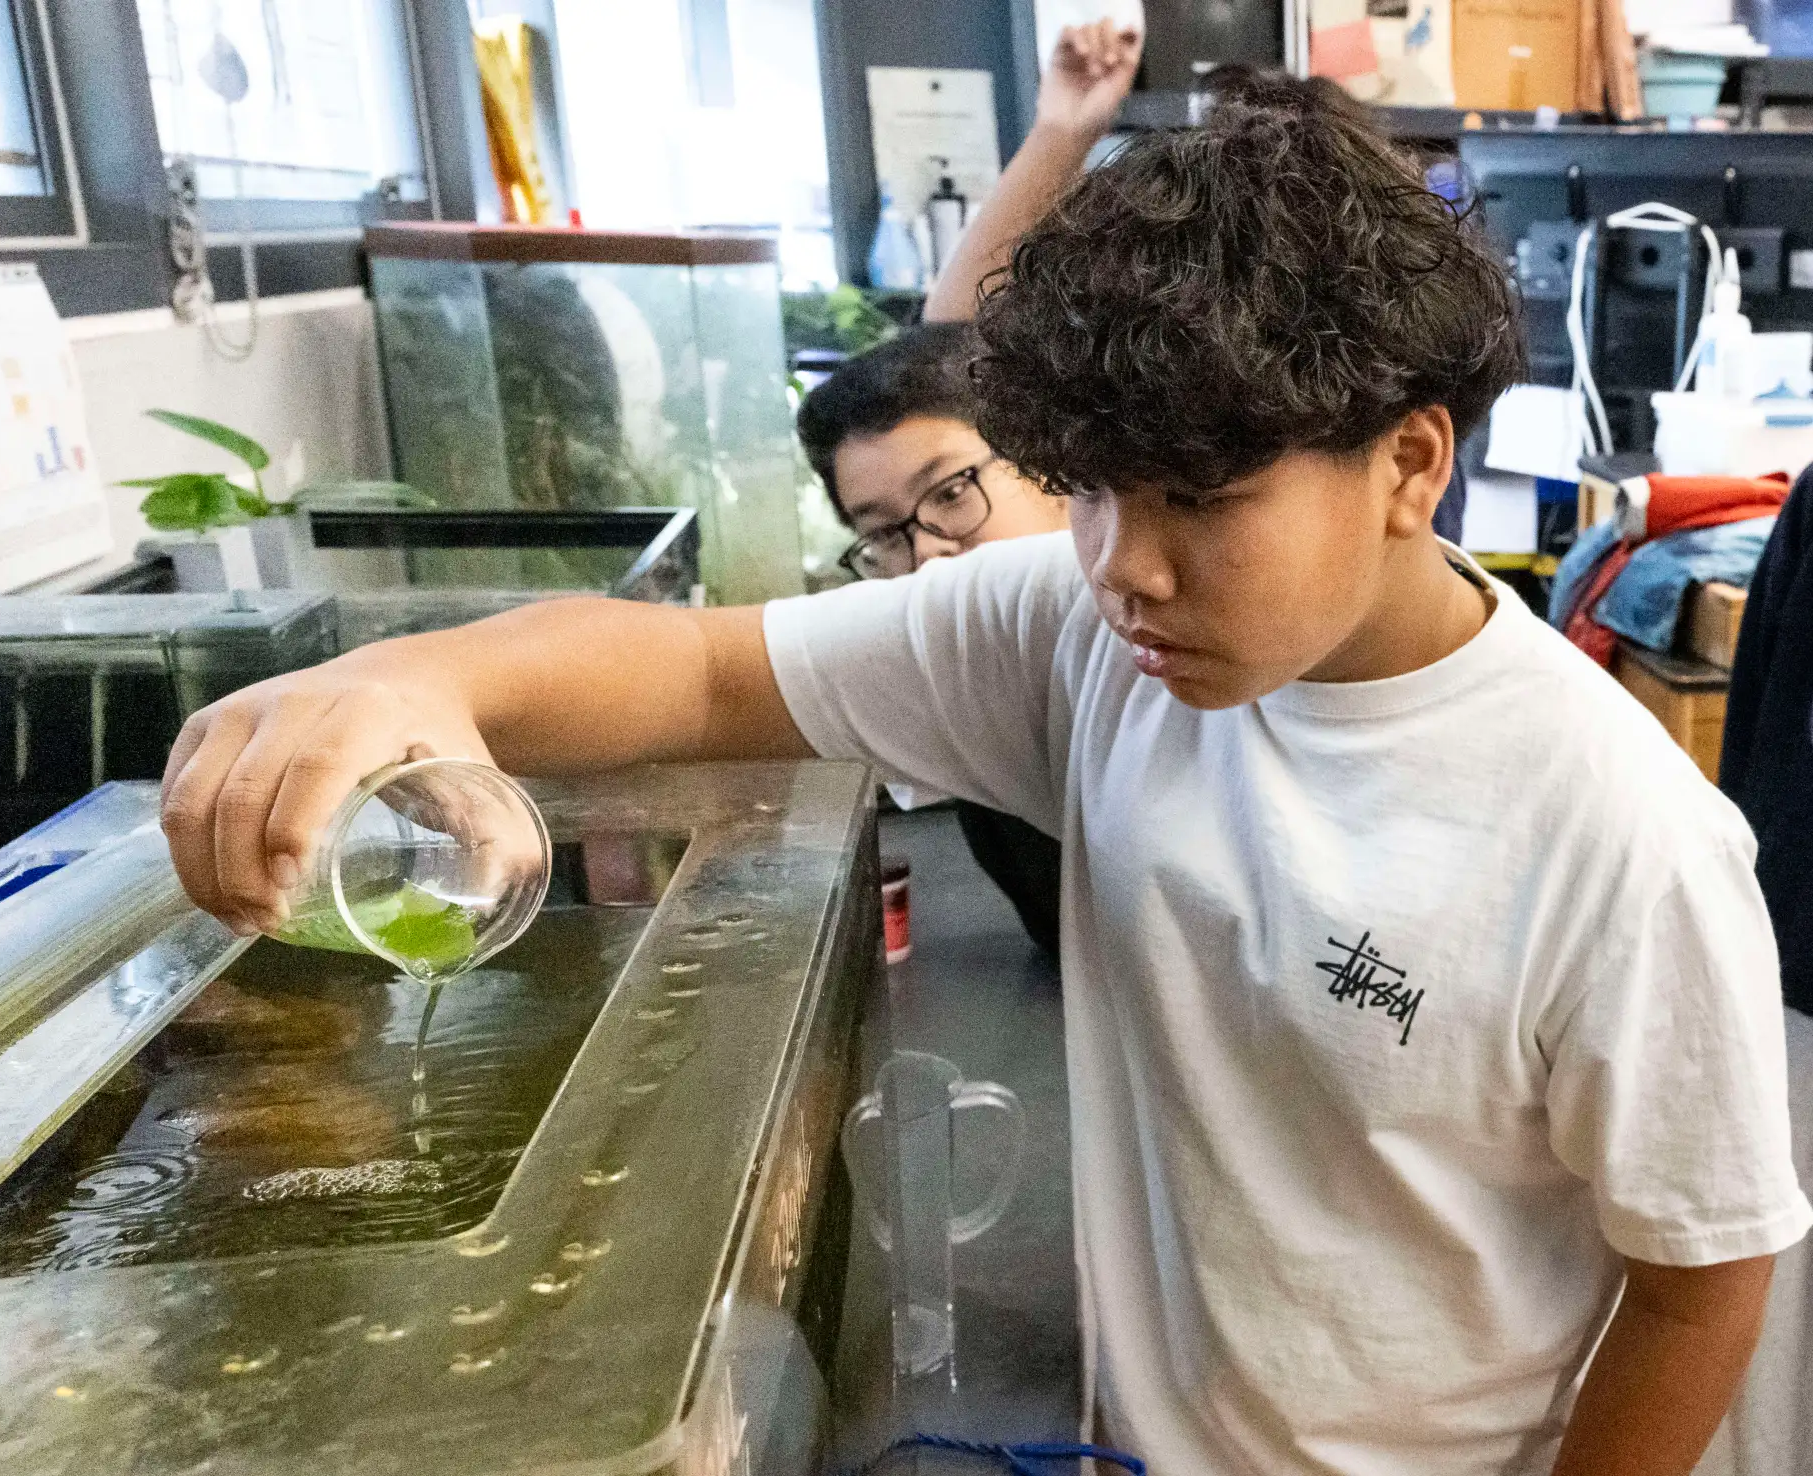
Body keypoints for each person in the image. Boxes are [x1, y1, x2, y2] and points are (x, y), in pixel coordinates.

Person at [158, 77, 1807, 1476]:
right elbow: (707, 667)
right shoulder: (1081, 635)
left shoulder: (1621, 837)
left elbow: (1705, 1268)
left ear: (1411, 462)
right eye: (1085, 492)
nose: (1122, 568)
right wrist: (404, 678)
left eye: (1192, 503)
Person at [794, 19, 1144, 960]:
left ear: (1047, 451)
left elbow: (961, 350)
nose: (929, 551)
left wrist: (1067, 132)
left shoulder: (1153, 637)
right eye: (884, 533)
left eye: (950, 496)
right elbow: (947, 354)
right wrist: (1061, 128)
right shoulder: (959, 653)